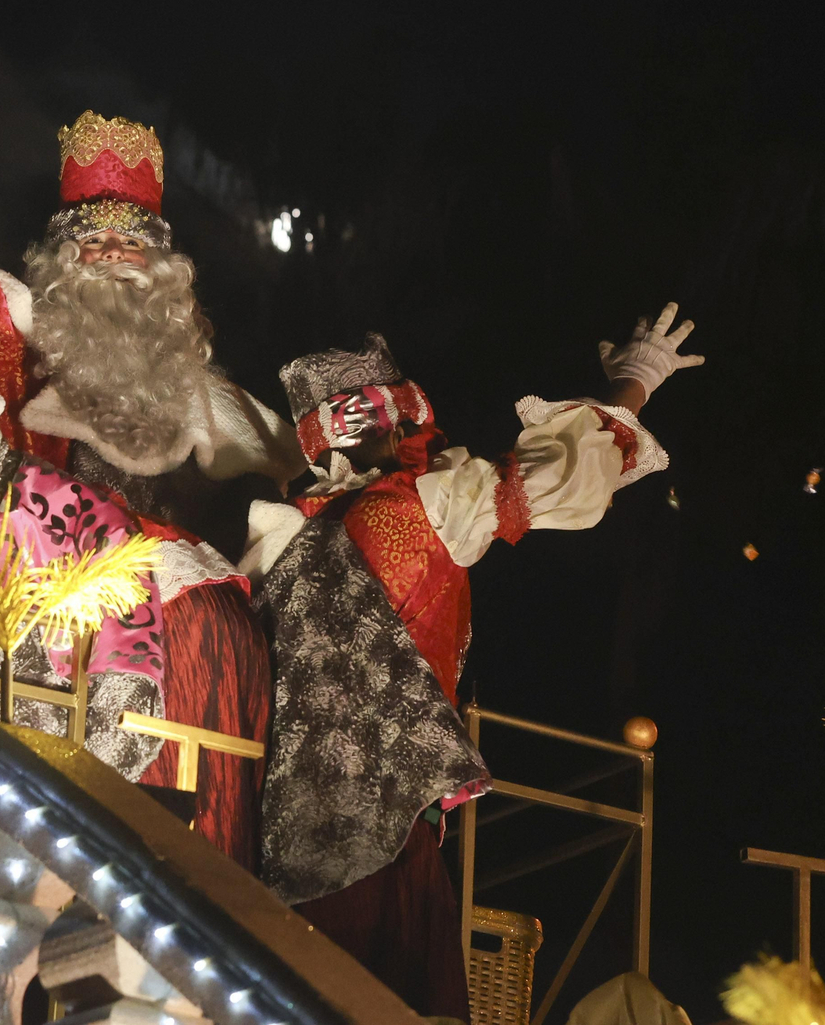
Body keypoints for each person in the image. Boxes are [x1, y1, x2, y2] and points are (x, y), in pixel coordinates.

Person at [0, 0, 305, 869]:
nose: (112, 255)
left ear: (165, 271)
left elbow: (313, 464)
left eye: (132, 244)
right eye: (90, 242)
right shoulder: (24, 328)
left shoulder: (201, 395)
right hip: (38, 601)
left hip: (179, 624)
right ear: (59, 261)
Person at [243, 311, 703, 1015]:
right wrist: (632, 386)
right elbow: (562, 475)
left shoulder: (275, 541)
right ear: (398, 423)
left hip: (273, 831)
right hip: (391, 821)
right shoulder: (422, 505)